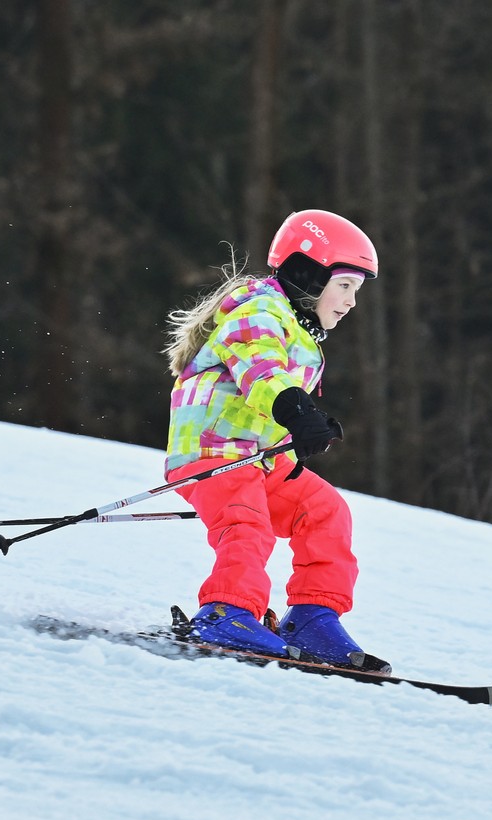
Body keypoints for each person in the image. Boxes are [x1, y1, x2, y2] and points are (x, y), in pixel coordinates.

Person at [161, 208, 388, 673]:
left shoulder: (299, 328)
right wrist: (296, 410)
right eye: (344, 285)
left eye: (356, 291)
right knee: (247, 526)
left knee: (325, 512)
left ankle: (312, 617)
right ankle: (227, 611)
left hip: (259, 459)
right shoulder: (258, 311)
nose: (351, 301)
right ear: (309, 271)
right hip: (214, 452)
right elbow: (260, 370)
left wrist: (299, 426)